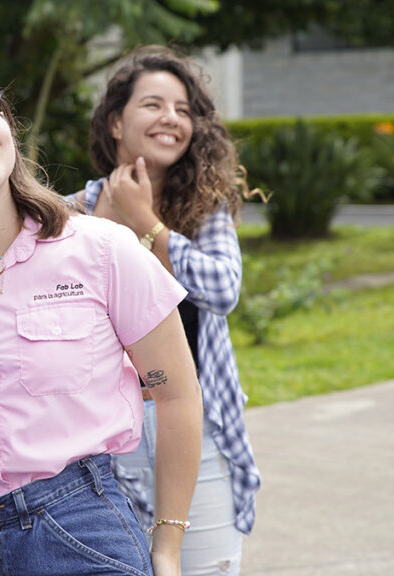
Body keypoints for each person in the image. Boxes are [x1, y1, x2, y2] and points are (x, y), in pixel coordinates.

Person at [0, 53, 204, 576]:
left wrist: (167, 547)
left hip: (76, 530)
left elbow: (176, 393)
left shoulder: (104, 250)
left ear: (6, 125)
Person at [74, 46, 262, 576]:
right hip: (106, 436)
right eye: (153, 104)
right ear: (116, 121)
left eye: (183, 110)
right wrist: (111, 223)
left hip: (195, 427)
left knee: (205, 567)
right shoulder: (70, 212)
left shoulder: (207, 210)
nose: (171, 119)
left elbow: (224, 288)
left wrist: (146, 223)